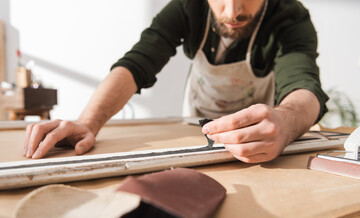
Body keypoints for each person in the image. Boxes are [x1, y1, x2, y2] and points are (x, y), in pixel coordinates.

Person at [23, 0, 328, 163]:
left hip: (261, 136)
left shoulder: (290, 17)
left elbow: (304, 86)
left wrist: (285, 124)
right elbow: (137, 62)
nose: (233, 11)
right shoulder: (187, 6)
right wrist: (89, 122)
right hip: (194, 125)